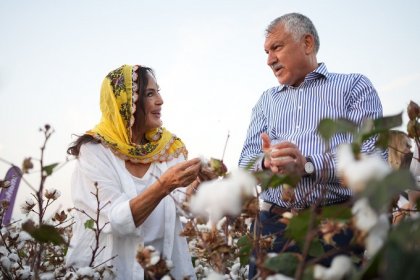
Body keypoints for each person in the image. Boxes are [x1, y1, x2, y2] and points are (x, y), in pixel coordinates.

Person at [238, 13, 385, 278]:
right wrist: (266, 161)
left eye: (277, 48)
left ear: (307, 43)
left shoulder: (353, 87)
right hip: (272, 228)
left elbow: (373, 159)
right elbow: (245, 161)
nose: (269, 60)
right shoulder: (266, 101)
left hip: (333, 229)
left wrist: (307, 164)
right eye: (266, 51)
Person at [66, 64, 208, 280]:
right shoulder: (95, 152)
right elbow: (117, 220)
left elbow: (183, 207)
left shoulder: (168, 149)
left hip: (163, 272)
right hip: (108, 271)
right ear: (126, 104)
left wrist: (199, 181)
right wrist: (163, 185)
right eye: (150, 94)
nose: (160, 100)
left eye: (158, 92)